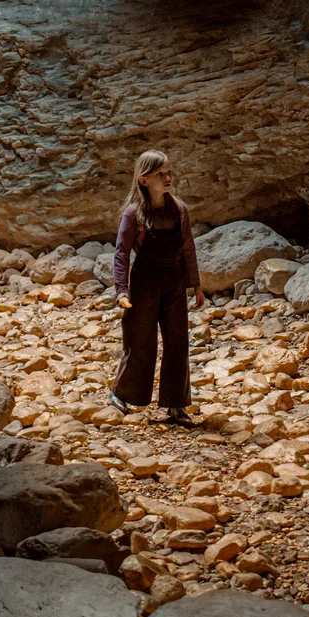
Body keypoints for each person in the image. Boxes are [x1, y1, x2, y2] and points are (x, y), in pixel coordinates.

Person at [108, 149, 203, 424]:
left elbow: (188, 247)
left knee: (177, 342)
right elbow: (122, 253)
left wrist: (195, 284)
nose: (167, 177)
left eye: (168, 172)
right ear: (144, 179)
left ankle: (176, 405)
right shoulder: (133, 214)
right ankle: (123, 395)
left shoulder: (179, 209)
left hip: (174, 282)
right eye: (160, 174)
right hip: (144, 283)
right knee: (140, 341)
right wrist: (121, 291)